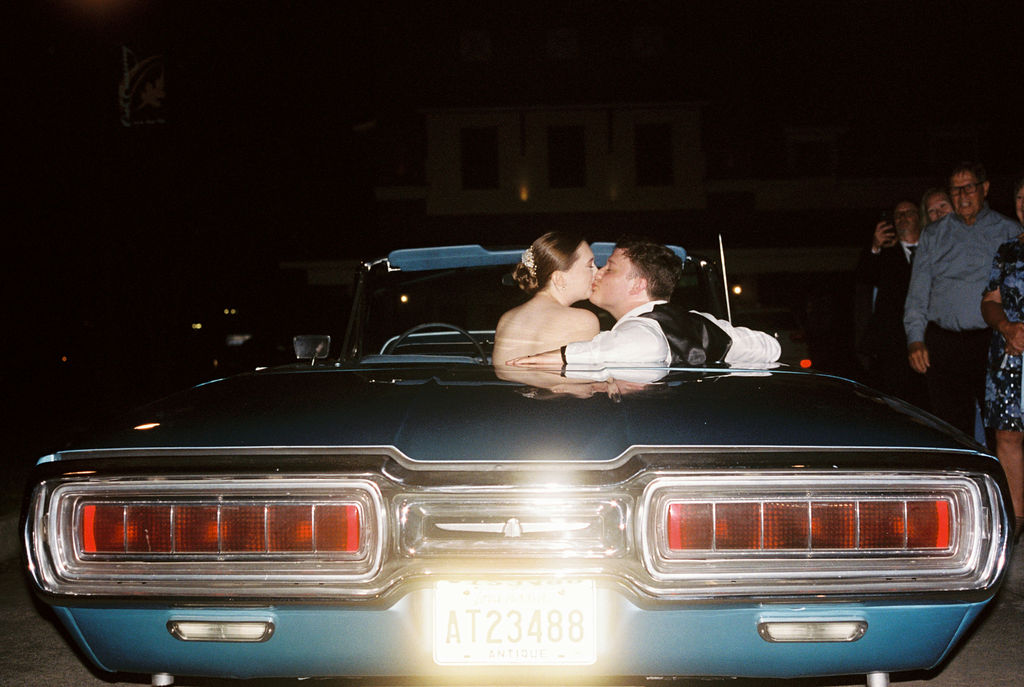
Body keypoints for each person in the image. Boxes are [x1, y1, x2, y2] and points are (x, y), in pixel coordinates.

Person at [506, 237, 781, 368]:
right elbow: (771, 347)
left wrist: (560, 356)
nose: (598, 272)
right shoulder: (701, 322)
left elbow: (645, 344)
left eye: (609, 268)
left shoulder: (641, 331)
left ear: (638, 285)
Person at [904, 162, 1020, 436]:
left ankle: (1001, 479)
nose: (962, 195)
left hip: (993, 343)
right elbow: (918, 292)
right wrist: (915, 340)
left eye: (968, 187)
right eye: (955, 190)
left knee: (1000, 431)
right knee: (952, 431)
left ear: (985, 188)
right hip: (944, 345)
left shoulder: (1009, 231)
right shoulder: (933, 234)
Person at [981, 175, 1024, 535]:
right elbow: (990, 301)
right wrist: (1008, 329)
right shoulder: (1007, 250)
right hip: (1009, 352)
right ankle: (1018, 523)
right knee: (1007, 436)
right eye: (1021, 197)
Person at [855, 200, 929, 408]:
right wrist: (875, 246)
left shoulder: (932, 248)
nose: (903, 218)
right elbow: (864, 277)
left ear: (920, 217)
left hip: (930, 340)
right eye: (898, 215)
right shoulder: (886, 255)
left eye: (909, 213)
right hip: (893, 346)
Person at [492, 231, 599, 364]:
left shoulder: (507, 319)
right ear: (559, 279)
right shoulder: (583, 320)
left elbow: (506, 374)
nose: (597, 272)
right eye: (589, 266)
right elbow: (588, 377)